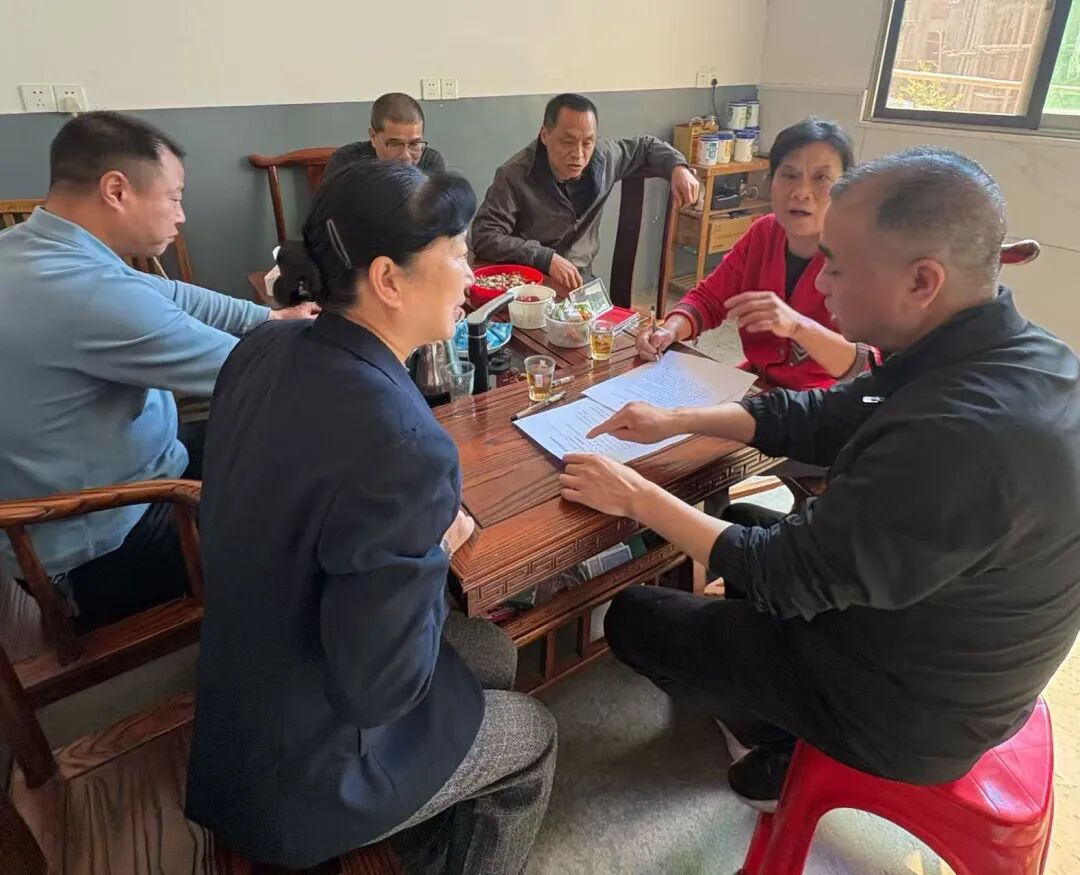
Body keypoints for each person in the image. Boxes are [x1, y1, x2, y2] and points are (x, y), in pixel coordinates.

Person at [558, 147, 1080, 811]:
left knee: (637, 616)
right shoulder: (991, 351)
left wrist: (637, 496)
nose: (821, 283)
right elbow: (824, 416)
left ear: (922, 281)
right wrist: (676, 419)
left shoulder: (959, 435)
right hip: (930, 627)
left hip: (911, 711)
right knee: (741, 521)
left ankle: (777, 740)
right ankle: (764, 695)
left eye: (836, 263)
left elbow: (783, 575)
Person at [186, 160, 557, 873]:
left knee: (492, 652)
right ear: (388, 279)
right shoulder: (404, 445)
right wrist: (434, 544)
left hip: (239, 701)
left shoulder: (264, 345)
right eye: (458, 253)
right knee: (534, 733)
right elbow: (380, 690)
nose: (470, 272)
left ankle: (429, 833)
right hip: (308, 775)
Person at [0, 111, 315, 631]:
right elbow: (254, 373)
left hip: (117, 480)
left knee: (277, 444)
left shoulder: (30, 247)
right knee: (315, 511)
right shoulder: (91, 295)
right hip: (101, 543)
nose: (182, 215)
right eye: (173, 197)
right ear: (116, 190)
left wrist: (272, 319)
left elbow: (172, 294)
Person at [639, 117, 874, 390]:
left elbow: (868, 365)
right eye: (789, 175)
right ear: (770, 181)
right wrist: (669, 330)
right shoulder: (764, 233)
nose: (801, 192)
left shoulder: (863, 256)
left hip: (823, 402)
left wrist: (798, 327)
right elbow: (709, 299)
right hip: (754, 386)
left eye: (821, 178)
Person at [471, 92, 700, 291]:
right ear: (545, 136)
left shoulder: (604, 157)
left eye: (588, 142)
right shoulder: (515, 174)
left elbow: (645, 147)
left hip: (581, 279)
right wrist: (545, 258)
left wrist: (678, 167)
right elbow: (485, 236)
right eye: (568, 141)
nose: (579, 154)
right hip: (529, 281)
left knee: (609, 326)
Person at [325, 92, 446, 178]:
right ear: (373, 137)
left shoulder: (430, 162)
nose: (406, 156)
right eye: (395, 144)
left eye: (414, 144)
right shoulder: (346, 162)